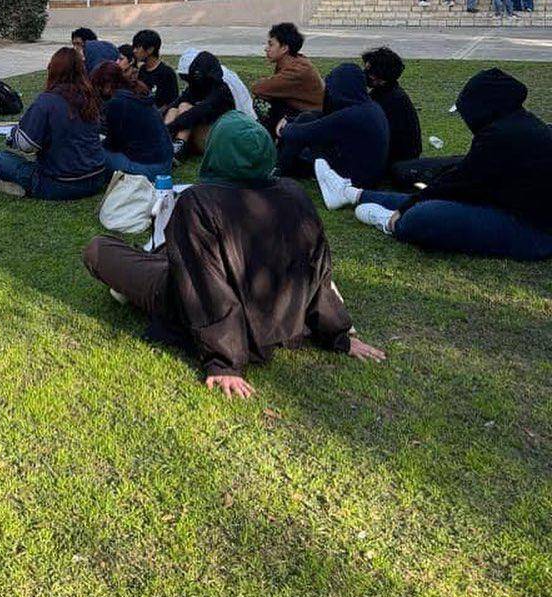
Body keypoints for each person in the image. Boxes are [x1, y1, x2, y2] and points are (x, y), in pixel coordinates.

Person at [82, 112, 385, 400]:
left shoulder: (199, 203)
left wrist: (224, 361)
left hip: (196, 306)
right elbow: (318, 273)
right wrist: (338, 334)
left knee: (99, 248)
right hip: (276, 317)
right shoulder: (294, 194)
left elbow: (206, 287)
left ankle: (138, 278)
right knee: (165, 253)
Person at [314, 68, 552, 261]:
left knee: (424, 215)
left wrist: (406, 209)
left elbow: (458, 182)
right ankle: (351, 194)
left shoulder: (502, 136)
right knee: (431, 197)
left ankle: (391, 222)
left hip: (531, 231)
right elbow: (460, 181)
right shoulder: (518, 123)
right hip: (510, 206)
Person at [0, 47, 109, 200]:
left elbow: (26, 145)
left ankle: (25, 187)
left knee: (0, 159)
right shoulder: (90, 97)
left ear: (52, 70)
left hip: (60, 184)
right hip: (96, 178)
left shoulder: (46, 101)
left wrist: (13, 134)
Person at [277, 62, 389, 187]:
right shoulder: (371, 107)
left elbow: (301, 133)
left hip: (353, 179)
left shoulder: (348, 117)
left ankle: (278, 170)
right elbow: (324, 119)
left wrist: (283, 128)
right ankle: (280, 167)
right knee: (307, 117)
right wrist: (290, 120)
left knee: (302, 127)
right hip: (368, 173)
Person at [90, 60, 174, 181]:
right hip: (164, 164)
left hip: (148, 170)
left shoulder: (117, 103)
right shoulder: (137, 92)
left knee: (92, 151)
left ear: (107, 85)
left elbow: (113, 145)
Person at [252, 23, 324, 133]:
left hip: (312, 117)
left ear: (284, 48)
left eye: (271, 45)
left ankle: (271, 135)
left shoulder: (297, 70)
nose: (266, 49)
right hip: (303, 112)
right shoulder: (293, 63)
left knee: (261, 102)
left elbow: (258, 88)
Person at [165, 50, 237, 159]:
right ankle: (162, 142)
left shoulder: (221, 90)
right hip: (206, 132)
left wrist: (169, 128)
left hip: (220, 138)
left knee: (185, 108)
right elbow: (175, 104)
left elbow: (197, 112)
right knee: (174, 109)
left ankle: (177, 148)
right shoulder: (198, 87)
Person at [361, 47, 421, 168]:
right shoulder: (387, 93)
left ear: (379, 75)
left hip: (395, 163)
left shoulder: (388, 101)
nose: (365, 74)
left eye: (368, 70)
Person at [176, 48, 256, 121]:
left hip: (239, 120)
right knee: (179, 109)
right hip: (228, 116)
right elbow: (186, 97)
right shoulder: (207, 74)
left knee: (186, 111)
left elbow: (206, 107)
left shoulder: (219, 80)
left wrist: (173, 126)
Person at [132, 29, 179, 109]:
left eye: (138, 47)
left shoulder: (167, 73)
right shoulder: (141, 70)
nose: (134, 51)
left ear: (150, 49)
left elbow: (172, 103)